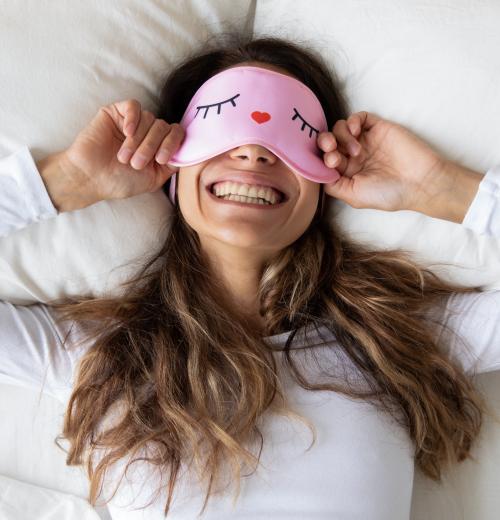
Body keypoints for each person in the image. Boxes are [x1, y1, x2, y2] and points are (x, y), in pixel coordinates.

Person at [1, 34, 499, 519]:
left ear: (324, 180)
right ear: (173, 166)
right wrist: (65, 182)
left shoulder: (399, 338)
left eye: (294, 129)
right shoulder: (103, 354)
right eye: (221, 121)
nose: (255, 151)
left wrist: (443, 188)